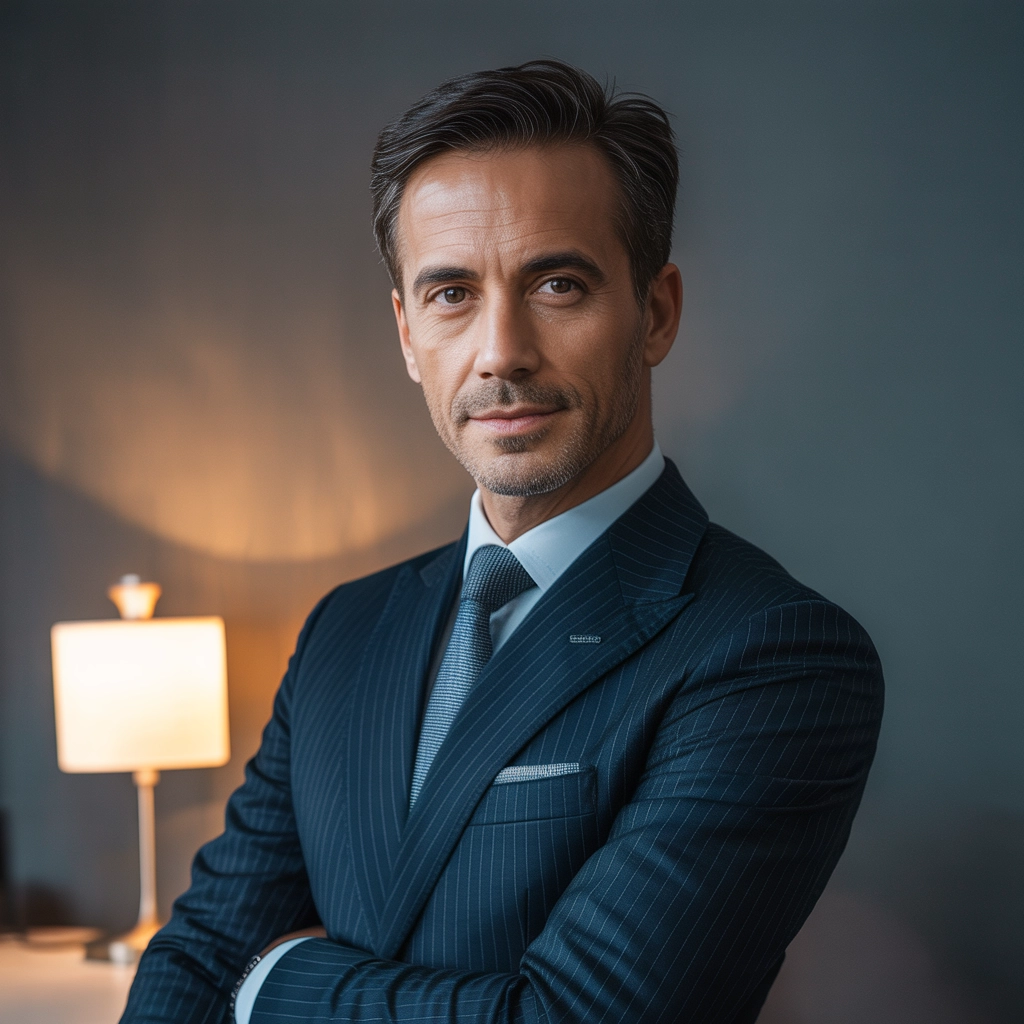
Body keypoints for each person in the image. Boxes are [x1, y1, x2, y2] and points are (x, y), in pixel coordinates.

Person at [121, 59, 883, 1024]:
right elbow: (196, 958)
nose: (500, 351)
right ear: (406, 333)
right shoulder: (343, 632)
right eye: (450, 295)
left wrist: (273, 986)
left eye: (557, 284)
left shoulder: (772, 656)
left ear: (655, 313)